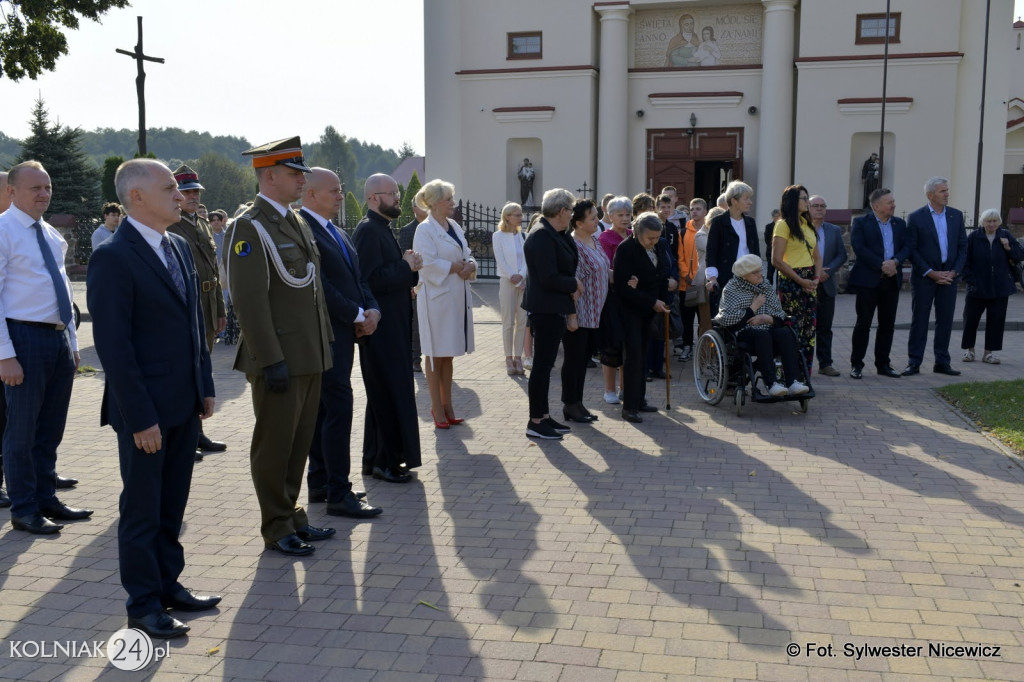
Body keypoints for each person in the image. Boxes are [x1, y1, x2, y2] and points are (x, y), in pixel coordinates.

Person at [87, 158, 221, 640]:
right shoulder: (114, 256)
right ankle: (143, 605)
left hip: (184, 403)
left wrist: (205, 386)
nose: (180, 195)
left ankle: (169, 585)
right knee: (142, 510)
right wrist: (139, 417)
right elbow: (115, 348)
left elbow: (193, 326)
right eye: (169, 189)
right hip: (144, 412)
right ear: (137, 197)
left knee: (172, 505)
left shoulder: (180, 247)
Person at [226, 137, 336, 556]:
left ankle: (292, 516)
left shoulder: (294, 220)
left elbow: (312, 291)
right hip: (280, 357)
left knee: (299, 443)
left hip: (308, 352)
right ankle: (275, 525)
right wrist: (270, 359)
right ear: (269, 175)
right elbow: (250, 301)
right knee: (275, 445)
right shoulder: (249, 226)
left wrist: (323, 345)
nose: (300, 182)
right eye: (294, 174)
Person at [0, 161, 88, 535]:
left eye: (47, 187)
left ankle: (46, 497)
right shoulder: (3, 230)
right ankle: (24, 508)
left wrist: (71, 341)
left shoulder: (51, 234)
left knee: (50, 428)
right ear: (13, 192)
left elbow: (62, 288)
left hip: (55, 338)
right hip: (22, 338)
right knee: (21, 431)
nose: (43, 193)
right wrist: (5, 354)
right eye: (35, 187)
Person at [298, 168, 382, 519]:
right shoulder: (304, 230)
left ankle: (321, 482)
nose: (340, 195)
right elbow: (319, 285)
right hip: (326, 333)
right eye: (333, 190)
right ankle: (338, 492)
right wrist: (356, 314)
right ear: (312, 194)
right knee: (335, 409)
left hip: (345, 330)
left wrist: (371, 309)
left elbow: (357, 277)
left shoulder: (338, 232)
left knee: (326, 410)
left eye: (341, 188)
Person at [352, 174, 423, 483]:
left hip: (392, 325)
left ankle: (376, 459)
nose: (397, 197)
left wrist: (407, 271)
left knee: (385, 394)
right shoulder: (368, 231)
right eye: (391, 193)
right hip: (380, 328)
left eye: (397, 192)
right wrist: (406, 267)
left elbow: (387, 276)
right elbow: (367, 281)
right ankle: (385, 462)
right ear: (372, 198)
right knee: (387, 394)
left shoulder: (382, 229)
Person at [168, 165, 227, 459]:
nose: (192, 196)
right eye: (187, 191)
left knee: (203, 369)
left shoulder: (202, 223)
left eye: (196, 191)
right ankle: (185, 437)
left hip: (206, 304)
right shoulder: (170, 225)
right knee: (185, 370)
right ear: (176, 193)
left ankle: (198, 433)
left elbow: (213, 271)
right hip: (187, 307)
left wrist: (219, 308)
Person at [413, 179, 476, 428]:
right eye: (449, 199)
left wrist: (470, 265)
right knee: (434, 356)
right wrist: (453, 267)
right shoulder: (425, 230)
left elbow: (467, 252)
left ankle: (448, 404)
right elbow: (425, 263)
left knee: (448, 355)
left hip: (456, 297)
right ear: (436, 203)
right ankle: (436, 408)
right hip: (435, 300)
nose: (453, 203)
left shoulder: (453, 226)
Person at [523, 188, 579, 440]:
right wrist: (574, 285)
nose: (572, 215)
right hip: (545, 309)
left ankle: (544, 416)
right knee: (542, 367)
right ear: (562, 211)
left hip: (554, 308)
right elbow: (548, 278)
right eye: (570, 210)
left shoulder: (556, 233)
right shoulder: (541, 236)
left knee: (546, 366)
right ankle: (535, 421)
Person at [714, 254, 809, 398]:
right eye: (755, 272)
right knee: (762, 335)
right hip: (742, 333)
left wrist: (768, 318)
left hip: (767, 329)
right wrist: (753, 308)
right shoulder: (732, 289)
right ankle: (772, 384)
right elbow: (728, 320)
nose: (760, 274)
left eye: (760, 270)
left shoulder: (765, 286)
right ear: (744, 275)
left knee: (785, 333)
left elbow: (780, 315)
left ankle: (793, 381)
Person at [903, 177, 967, 377]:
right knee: (920, 320)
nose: (947, 194)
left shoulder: (956, 216)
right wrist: (931, 273)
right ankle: (914, 362)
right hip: (924, 278)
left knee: (945, 320)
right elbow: (911, 250)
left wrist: (953, 272)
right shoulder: (916, 217)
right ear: (930, 195)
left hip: (949, 277)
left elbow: (963, 247)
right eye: (942, 191)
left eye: (947, 190)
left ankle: (942, 362)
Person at [614, 212, 671, 423]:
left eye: (657, 237)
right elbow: (622, 287)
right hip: (630, 311)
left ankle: (639, 399)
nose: (654, 242)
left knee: (643, 355)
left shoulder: (660, 245)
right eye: (650, 238)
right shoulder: (626, 249)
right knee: (633, 357)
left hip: (651, 310)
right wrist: (651, 302)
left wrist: (664, 301)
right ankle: (628, 407)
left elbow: (662, 275)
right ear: (637, 233)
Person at [848, 188, 909, 379]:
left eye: (893, 201)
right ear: (876, 206)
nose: (894, 205)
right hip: (868, 281)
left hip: (891, 281)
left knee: (887, 325)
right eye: (889, 202)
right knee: (863, 323)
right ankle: (857, 364)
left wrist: (895, 262)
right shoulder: (861, 222)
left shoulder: (899, 223)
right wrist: (882, 264)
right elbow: (859, 247)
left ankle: (883, 364)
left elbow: (907, 247)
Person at [562, 199, 608, 423]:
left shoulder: (594, 240)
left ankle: (578, 403)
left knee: (583, 360)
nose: (597, 220)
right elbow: (573, 282)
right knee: (574, 360)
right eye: (592, 218)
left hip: (595, 313)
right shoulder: (574, 245)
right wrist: (572, 314)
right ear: (579, 223)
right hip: (580, 313)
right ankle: (570, 404)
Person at [960, 209, 1023, 365]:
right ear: (983, 222)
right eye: (989, 221)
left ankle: (989, 353)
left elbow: (1020, 255)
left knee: (996, 321)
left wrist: (1008, 248)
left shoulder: (1005, 235)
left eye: (995, 221)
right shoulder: (974, 237)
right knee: (971, 320)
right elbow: (964, 261)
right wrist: (971, 280)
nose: (992, 224)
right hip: (977, 287)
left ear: (999, 222)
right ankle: (970, 350)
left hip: (1000, 287)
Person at [771, 185, 822, 372]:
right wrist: (801, 281)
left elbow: (817, 256)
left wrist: (815, 278)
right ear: (792, 201)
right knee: (791, 329)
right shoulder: (783, 225)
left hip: (810, 281)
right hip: (792, 281)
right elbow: (776, 260)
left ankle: (804, 374)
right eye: (803, 198)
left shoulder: (807, 225)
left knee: (808, 331)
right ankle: (786, 374)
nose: (807, 202)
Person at [706, 180, 759, 315]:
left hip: (748, 276)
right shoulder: (718, 222)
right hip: (726, 277)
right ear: (734, 201)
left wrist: (759, 275)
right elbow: (711, 252)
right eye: (746, 198)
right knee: (727, 316)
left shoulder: (750, 223)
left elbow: (756, 253)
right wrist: (712, 279)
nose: (750, 202)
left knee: (748, 315)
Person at [598, 196, 632, 404]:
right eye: (620, 215)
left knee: (628, 345)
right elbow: (605, 268)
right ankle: (609, 389)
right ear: (610, 216)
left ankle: (624, 388)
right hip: (612, 296)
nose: (625, 218)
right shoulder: (605, 238)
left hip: (632, 297)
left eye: (628, 214)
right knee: (612, 344)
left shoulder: (633, 235)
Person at [808, 195, 847, 376]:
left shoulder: (833, 230)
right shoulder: (801, 229)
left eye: (822, 206)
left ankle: (825, 364)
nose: (819, 209)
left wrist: (827, 271)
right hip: (807, 283)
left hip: (826, 284)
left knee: (825, 327)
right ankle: (802, 363)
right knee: (805, 326)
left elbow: (841, 255)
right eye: (815, 205)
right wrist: (814, 272)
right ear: (807, 208)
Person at [493, 202, 528, 375]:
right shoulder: (498, 236)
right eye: (517, 214)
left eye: (520, 214)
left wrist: (522, 276)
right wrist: (515, 280)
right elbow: (501, 261)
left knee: (522, 321)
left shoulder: (524, 236)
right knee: (508, 321)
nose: (520, 217)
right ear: (507, 216)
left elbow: (527, 260)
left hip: (523, 282)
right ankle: (508, 358)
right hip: (507, 282)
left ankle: (518, 358)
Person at [677, 198, 712, 361]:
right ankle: (687, 346)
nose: (694, 212)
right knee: (687, 318)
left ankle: (703, 348)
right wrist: (686, 274)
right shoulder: (683, 232)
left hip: (705, 283)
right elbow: (680, 256)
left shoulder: (710, 230)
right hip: (687, 284)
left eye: (698, 209)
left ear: (705, 212)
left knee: (704, 318)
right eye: (692, 209)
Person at [398, 203, 428, 373]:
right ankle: (415, 359)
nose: (424, 208)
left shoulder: (435, 229)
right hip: (416, 284)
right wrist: (410, 285)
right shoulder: (408, 230)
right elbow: (405, 259)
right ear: (414, 209)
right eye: (420, 205)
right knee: (416, 324)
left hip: (434, 282)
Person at [763, 208, 781, 284]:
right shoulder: (768, 226)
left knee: (779, 274)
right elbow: (767, 240)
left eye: (778, 216)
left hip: (781, 253)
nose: (776, 218)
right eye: (774, 216)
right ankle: (768, 289)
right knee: (770, 272)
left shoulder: (783, 226)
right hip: (771, 253)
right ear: (772, 217)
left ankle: (778, 289)